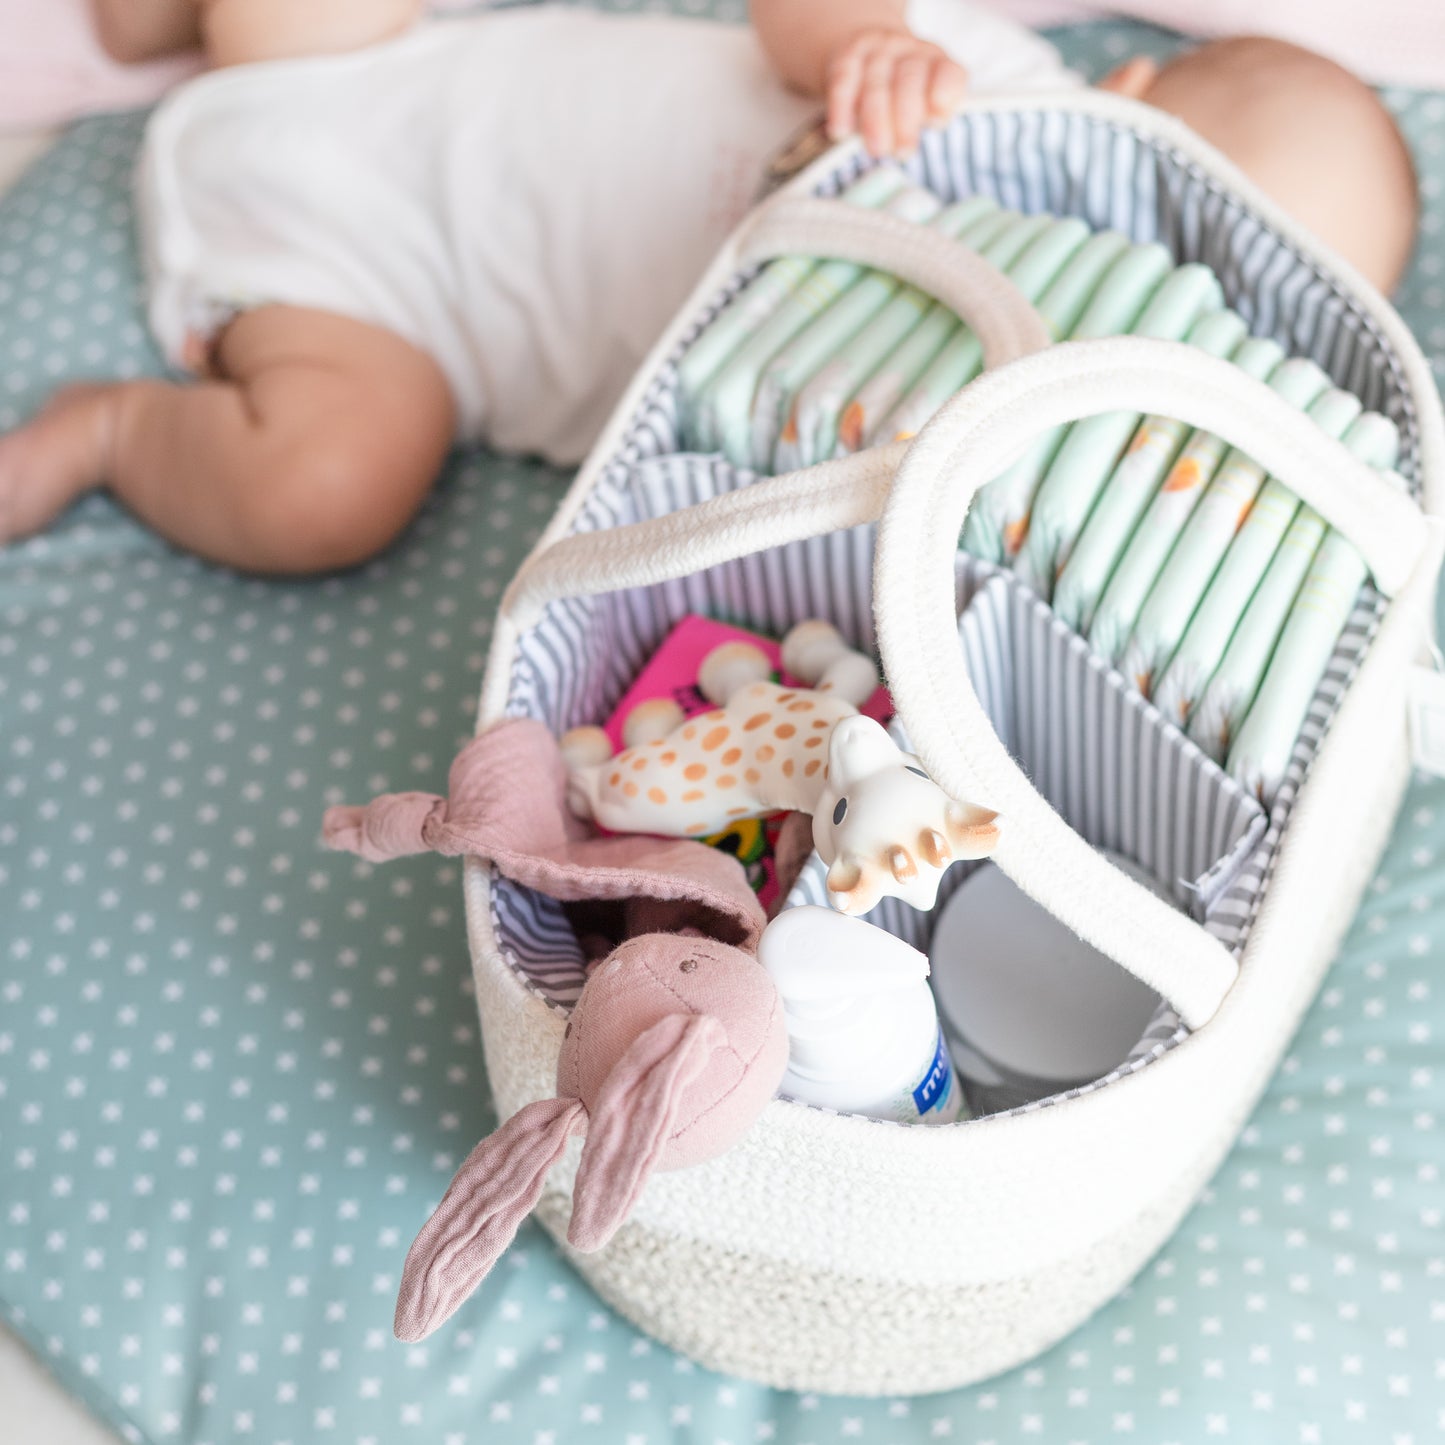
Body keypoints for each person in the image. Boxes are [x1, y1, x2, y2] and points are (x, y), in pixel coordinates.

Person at [0, 0, 1417, 574]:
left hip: (371, 308)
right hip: (367, 74)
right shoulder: (978, 80)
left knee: (328, 492)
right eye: (1169, 203)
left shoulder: (1002, 413)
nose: (1149, 283)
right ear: (1123, 93)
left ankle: (110, 431)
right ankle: (170, 18)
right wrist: (858, 42)